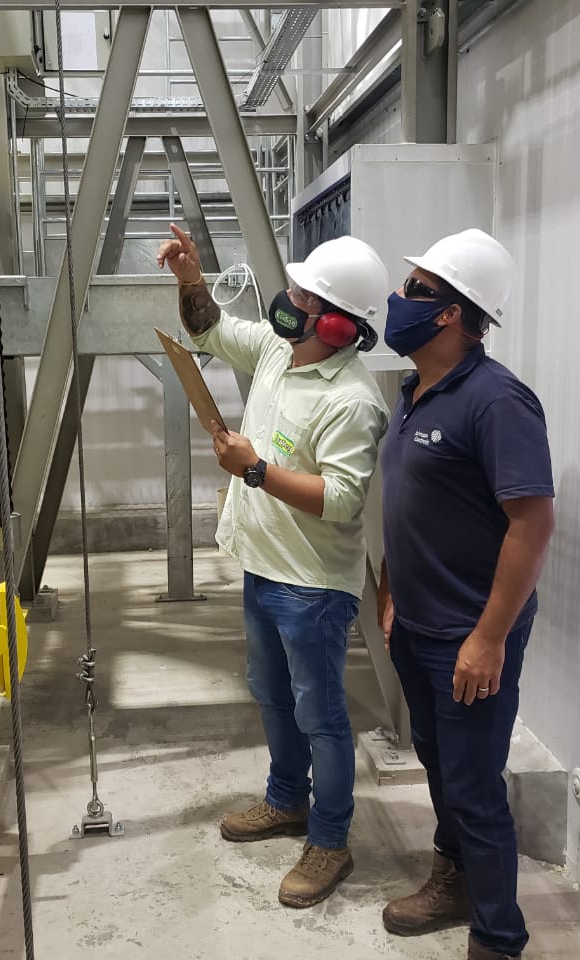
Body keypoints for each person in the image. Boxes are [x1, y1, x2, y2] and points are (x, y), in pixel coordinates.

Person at [156, 224, 390, 908]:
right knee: (271, 693)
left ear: (339, 325)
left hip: (313, 588)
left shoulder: (352, 401)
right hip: (263, 568)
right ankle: (287, 800)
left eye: (302, 295)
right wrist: (191, 280)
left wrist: (256, 469)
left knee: (322, 716)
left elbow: (344, 502)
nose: (287, 300)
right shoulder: (278, 351)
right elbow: (211, 330)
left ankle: (331, 840)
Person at [376, 228, 555, 960]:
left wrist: (487, 639)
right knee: (439, 764)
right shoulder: (415, 391)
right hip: (417, 628)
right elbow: (406, 504)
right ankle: (452, 883)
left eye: (413, 289)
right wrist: (390, 593)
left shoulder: (497, 400)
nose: (397, 301)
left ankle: (498, 939)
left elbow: (533, 524)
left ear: (449, 312)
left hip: (469, 634)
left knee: (476, 790)